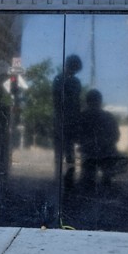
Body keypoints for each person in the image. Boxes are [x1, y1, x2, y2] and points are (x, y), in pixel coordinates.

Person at [77, 89, 128, 191]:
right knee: (120, 161)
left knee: (88, 180)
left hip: (90, 155)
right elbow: (116, 136)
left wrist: (89, 144)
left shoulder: (82, 116)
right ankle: (106, 177)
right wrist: (104, 144)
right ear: (100, 101)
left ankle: (94, 179)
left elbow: (77, 137)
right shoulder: (108, 116)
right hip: (106, 154)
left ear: (87, 101)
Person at [52, 54, 83, 190]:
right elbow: (76, 103)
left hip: (62, 119)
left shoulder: (58, 79)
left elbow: (57, 101)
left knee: (61, 151)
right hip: (68, 119)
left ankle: (60, 177)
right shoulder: (75, 82)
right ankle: (68, 178)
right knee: (68, 151)